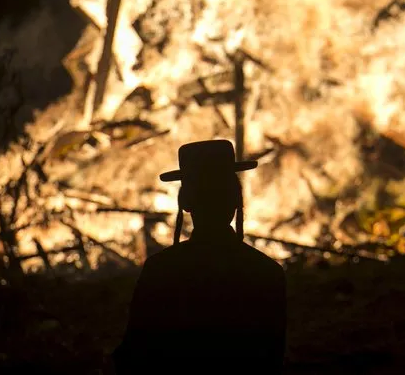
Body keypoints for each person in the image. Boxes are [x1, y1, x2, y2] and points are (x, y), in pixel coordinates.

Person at [113, 139, 287, 374]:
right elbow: (272, 361)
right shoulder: (267, 273)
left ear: (185, 202)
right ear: (237, 199)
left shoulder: (161, 271)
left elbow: (134, 356)